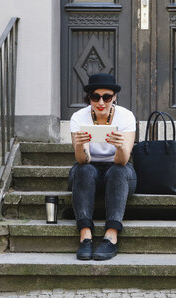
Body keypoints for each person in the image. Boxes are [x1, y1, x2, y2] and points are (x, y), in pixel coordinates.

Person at [69, 73, 137, 261]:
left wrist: (120, 146)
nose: (101, 102)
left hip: (119, 169)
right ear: (89, 97)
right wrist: (81, 145)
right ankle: (85, 236)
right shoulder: (78, 117)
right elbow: (82, 160)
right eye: (95, 97)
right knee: (83, 170)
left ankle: (111, 236)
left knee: (118, 170)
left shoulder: (126, 117)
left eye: (106, 97)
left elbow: (123, 161)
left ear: (114, 97)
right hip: (88, 167)